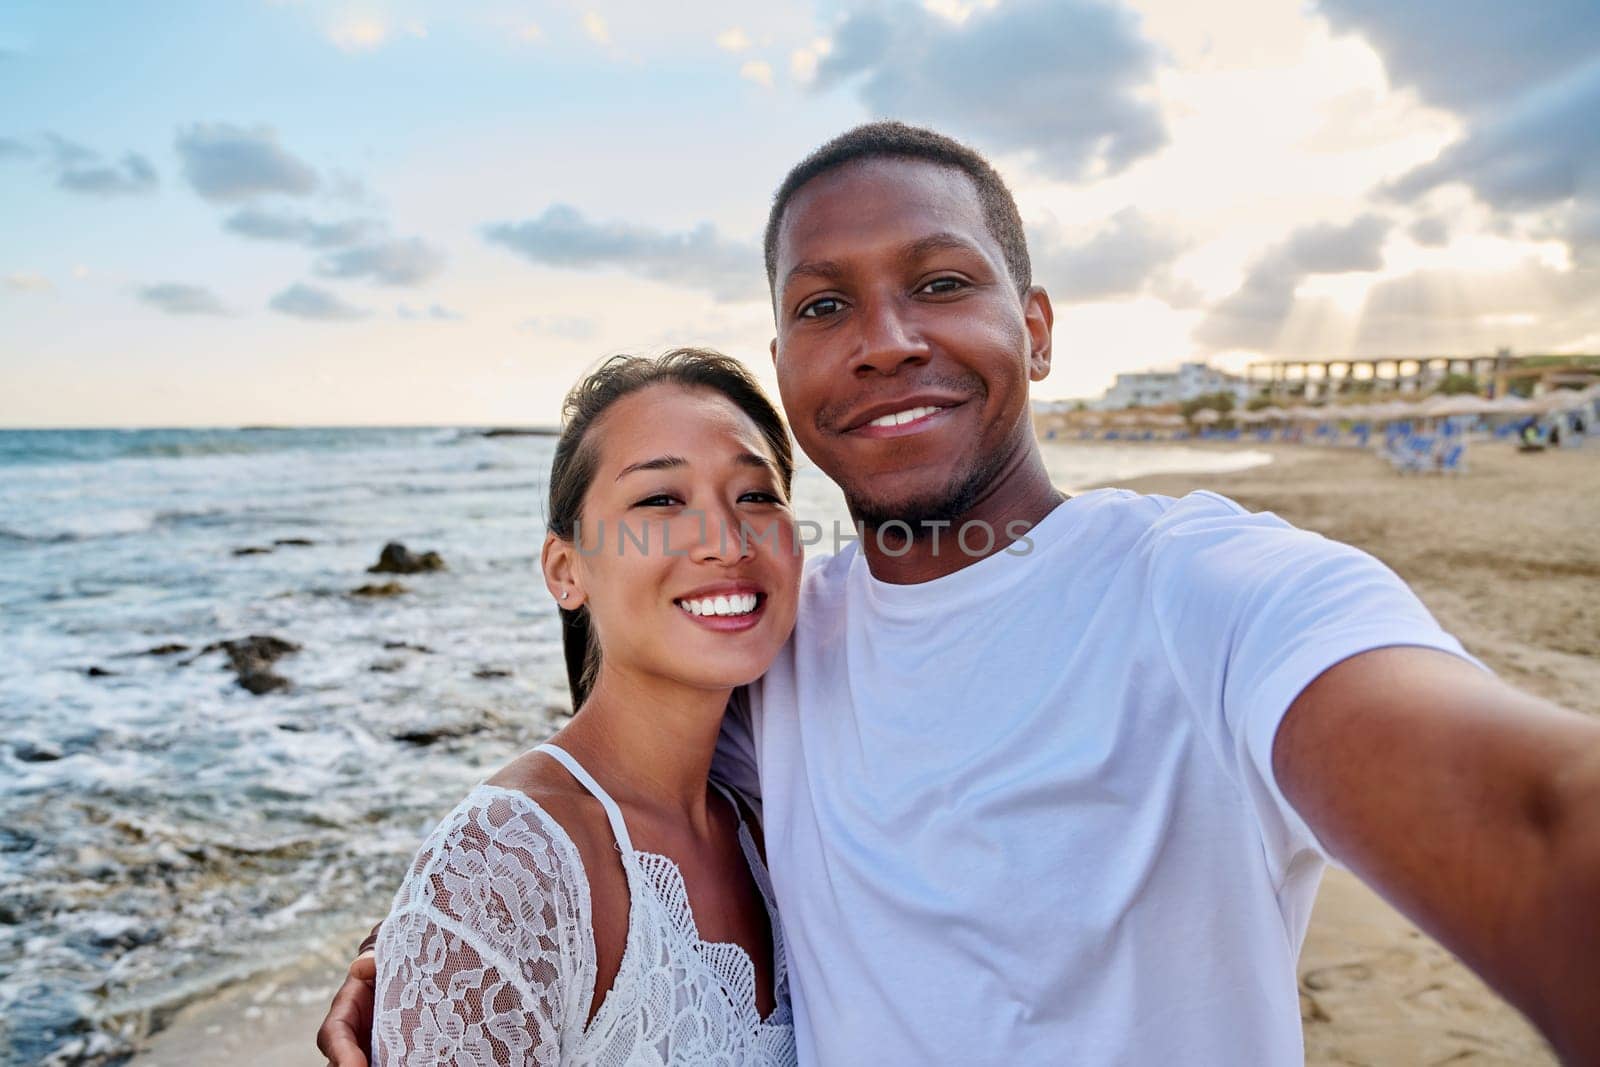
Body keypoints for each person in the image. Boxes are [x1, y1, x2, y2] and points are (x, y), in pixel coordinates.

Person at [323, 123, 1600, 1064]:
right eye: (826, 304)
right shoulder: (781, 646)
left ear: (1035, 327)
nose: (885, 338)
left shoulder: (1206, 589)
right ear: (787, 362)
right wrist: (447, 949)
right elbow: (604, 810)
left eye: (940, 282)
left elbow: (1542, 819)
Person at [368, 350, 802, 1064]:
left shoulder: (772, 822)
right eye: (660, 499)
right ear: (566, 570)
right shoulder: (501, 866)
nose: (727, 540)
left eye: (756, 495)